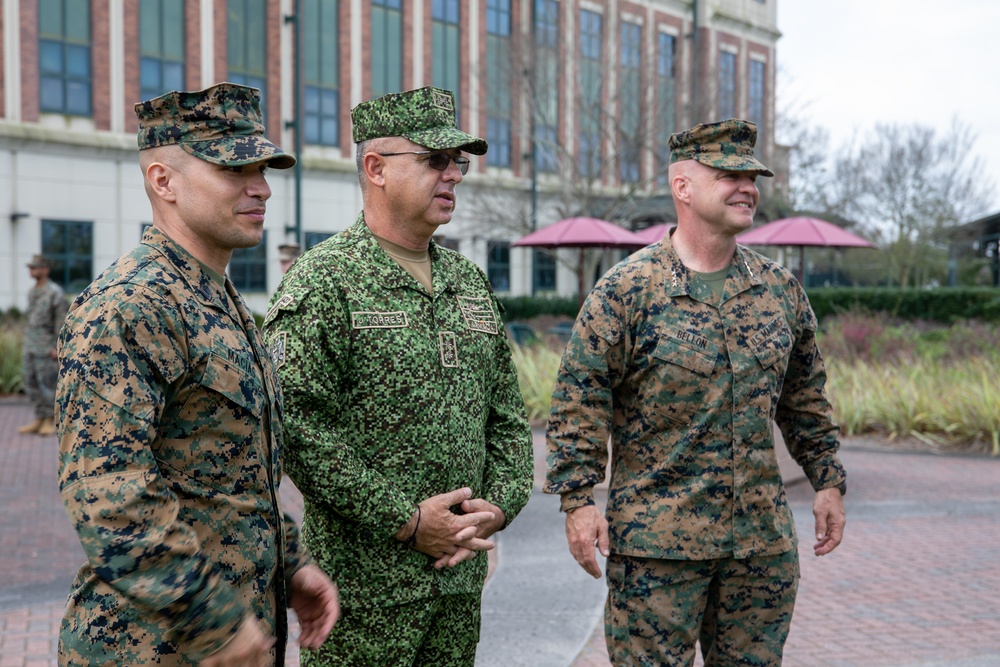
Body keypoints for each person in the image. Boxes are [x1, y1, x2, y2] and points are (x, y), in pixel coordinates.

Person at [55, 83, 339, 667]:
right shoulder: (131, 305)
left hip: (231, 638)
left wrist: (293, 566)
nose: (260, 186)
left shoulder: (222, 303)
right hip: (150, 645)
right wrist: (210, 621)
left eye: (262, 168)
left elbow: (234, 476)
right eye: (235, 169)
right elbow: (109, 494)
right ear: (164, 181)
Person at [545, 119, 847, 667]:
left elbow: (805, 398)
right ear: (683, 186)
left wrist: (827, 480)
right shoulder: (627, 290)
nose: (747, 186)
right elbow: (579, 400)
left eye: (752, 176)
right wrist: (578, 501)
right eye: (729, 174)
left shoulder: (779, 291)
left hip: (759, 545)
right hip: (658, 549)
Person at [261, 86, 534, 667]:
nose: (454, 175)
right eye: (435, 160)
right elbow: (299, 430)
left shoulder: (467, 280)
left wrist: (500, 506)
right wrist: (408, 521)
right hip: (363, 595)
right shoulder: (324, 281)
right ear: (376, 168)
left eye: (457, 161)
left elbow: (507, 418)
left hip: (458, 587)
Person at [18, 254, 67, 436]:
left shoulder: (54, 292)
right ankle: (39, 417)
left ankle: (50, 420)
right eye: (31, 268)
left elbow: (61, 322)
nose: (32, 271)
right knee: (31, 382)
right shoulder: (32, 292)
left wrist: (57, 346)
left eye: (35, 267)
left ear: (46, 269)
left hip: (47, 346)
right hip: (31, 345)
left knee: (48, 383)